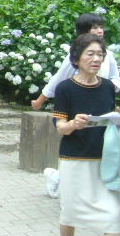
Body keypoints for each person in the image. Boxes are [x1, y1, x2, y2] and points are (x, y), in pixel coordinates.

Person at [31, 13, 120, 198]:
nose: (99, 30)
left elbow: (114, 76)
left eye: (101, 27)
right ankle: (59, 179)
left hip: (101, 101)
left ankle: (61, 179)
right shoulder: (76, 56)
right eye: (94, 28)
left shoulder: (108, 55)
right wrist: (40, 100)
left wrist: (111, 89)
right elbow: (58, 79)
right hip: (79, 104)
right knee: (80, 149)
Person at [52, 33, 120, 236]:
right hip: (75, 160)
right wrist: (73, 123)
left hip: (105, 160)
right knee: (70, 213)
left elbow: (111, 117)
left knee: (113, 216)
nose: (96, 59)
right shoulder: (65, 88)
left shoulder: (108, 87)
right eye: (90, 54)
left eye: (100, 54)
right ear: (76, 58)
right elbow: (60, 127)